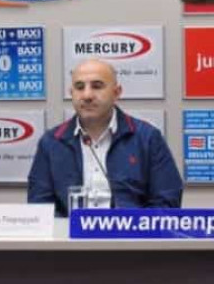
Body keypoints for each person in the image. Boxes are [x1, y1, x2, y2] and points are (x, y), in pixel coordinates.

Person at [28, 58, 183, 216]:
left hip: (131, 230)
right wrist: (69, 227)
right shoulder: (51, 142)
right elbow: (40, 208)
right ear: (71, 93)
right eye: (79, 87)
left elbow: (167, 202)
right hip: (70, 231)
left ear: (116, 93)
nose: (87, 95)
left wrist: (128, 225)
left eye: (97, 86)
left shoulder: (147, 138)